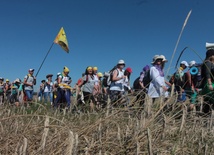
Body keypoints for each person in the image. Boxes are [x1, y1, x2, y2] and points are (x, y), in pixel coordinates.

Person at [201, 49, 214, 114]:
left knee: (208, 101)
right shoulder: (208, 63)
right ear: (211, 56)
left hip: (209, 84)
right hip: (209, 84)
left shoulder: (209, 62)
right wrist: (210, 84)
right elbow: (207, 74)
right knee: (210, 100)